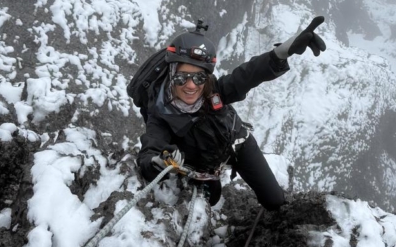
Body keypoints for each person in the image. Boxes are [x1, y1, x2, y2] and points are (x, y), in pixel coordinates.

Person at [137, 17, 326, 210]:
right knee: (211, 199)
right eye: (181, 77)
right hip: (204, 166)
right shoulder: (160, 114)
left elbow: (247, 75)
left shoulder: (213, 90)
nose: (191, 85)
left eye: (199, 77)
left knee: (275, 201)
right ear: (171, 73)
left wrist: (281, 53)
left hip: (239, 144)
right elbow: (150, 149)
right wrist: (156, 163)